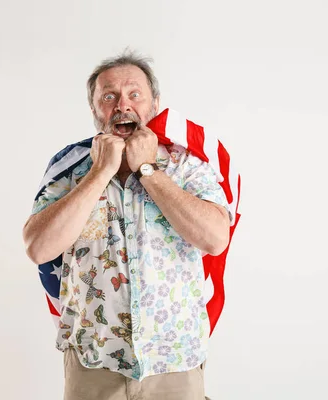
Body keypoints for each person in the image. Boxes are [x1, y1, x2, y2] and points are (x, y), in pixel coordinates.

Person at [23, 50, 232, 400]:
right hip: (94, 363)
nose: (123, 105)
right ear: (94, 110)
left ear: (154, 104)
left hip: (174, 362)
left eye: (134, 94)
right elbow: (39, 247)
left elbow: (214, 239)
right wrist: (100, 171)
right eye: (109, 96)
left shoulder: (187, 166)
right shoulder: (69, 168)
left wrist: (148, 170)